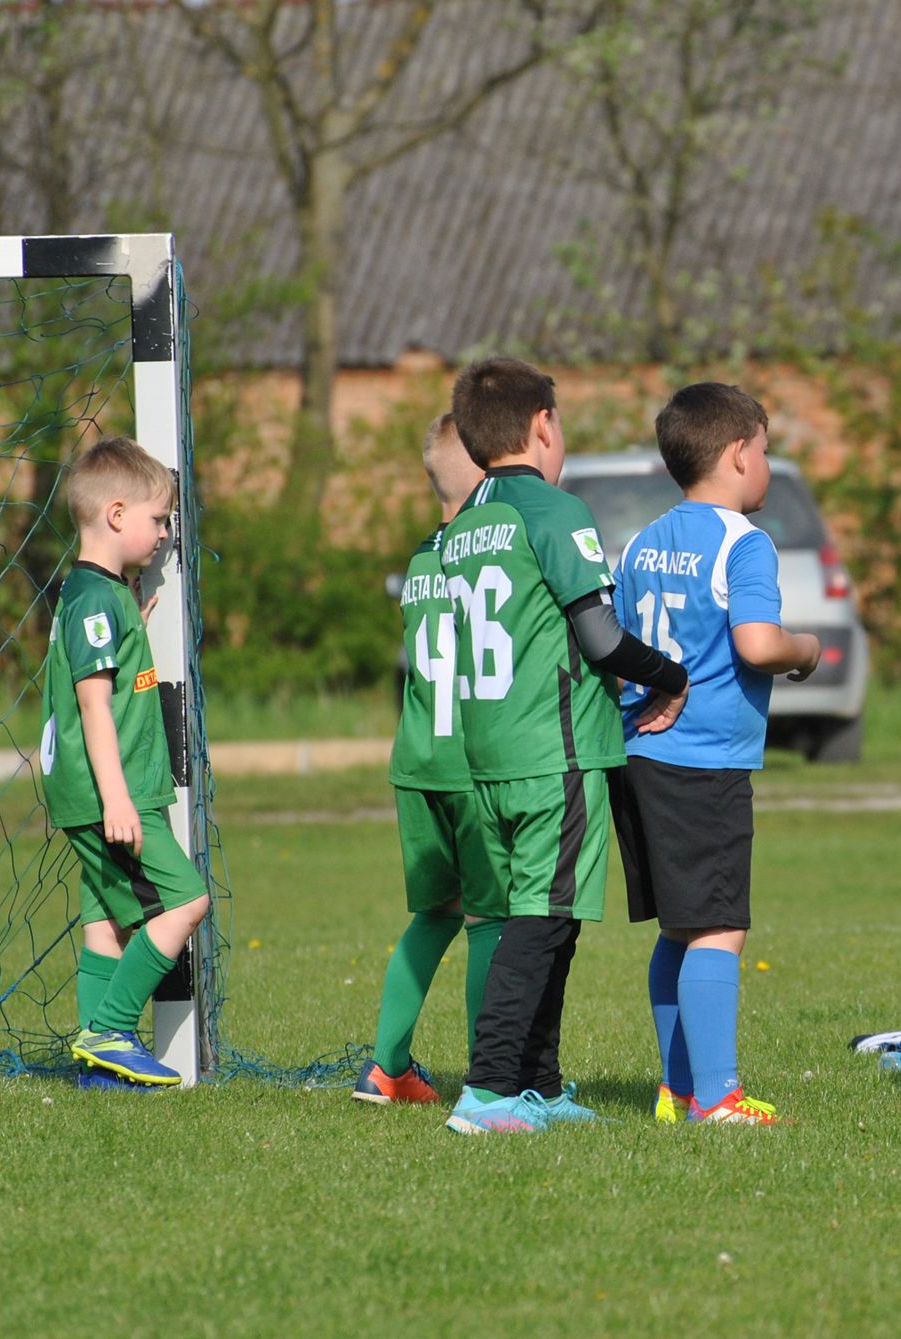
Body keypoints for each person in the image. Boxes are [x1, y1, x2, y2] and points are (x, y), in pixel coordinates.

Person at [439, 357, 689, 1136]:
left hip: (489, 754)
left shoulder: (465, 521)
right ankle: (485, 1092)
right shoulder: (554, 512)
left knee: (549, 916)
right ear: (544, 424)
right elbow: (600, 635)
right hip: (557, 751)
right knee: (542, 920)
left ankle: (536, 1086)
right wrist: (671, 674)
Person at [609, 383, 821, 1126]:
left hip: (639, 753)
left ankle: (677, 1089)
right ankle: (719, 1097)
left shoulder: (639, 542)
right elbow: (757, 644)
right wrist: (806, 651)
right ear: (739, 453)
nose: (766, 463)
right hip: (704, 760)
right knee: (719, 926)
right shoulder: (744, 542)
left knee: (680, 924)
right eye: (764, 450)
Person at [41, 435, 210, 1089]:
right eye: (158, 518)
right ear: (116, 515)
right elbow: (93, 708)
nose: (166, 531)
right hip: (114, 794)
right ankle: (109, 1029)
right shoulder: (92, 604)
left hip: (90, 793)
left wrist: (130, 624)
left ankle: (98, 1071)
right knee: (187, 901)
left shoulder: (96, 595)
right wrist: (117, 797)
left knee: (106, 921)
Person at [354, 414, 506, 1105]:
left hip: (415, 760)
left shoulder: (419, 560)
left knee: (436, 913)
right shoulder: (485, 556)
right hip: (469, 764)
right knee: (489, 919)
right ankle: (489, 1074)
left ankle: (385, 1065)